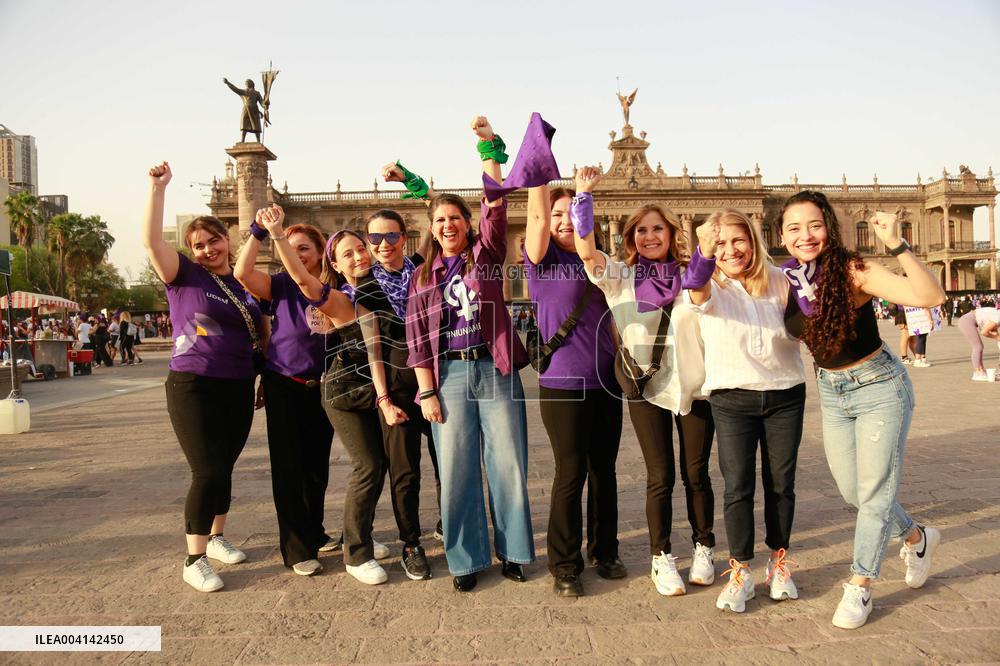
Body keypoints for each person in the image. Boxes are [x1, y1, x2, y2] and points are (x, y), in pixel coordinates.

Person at [778, 190, 945, 630]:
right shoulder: (786, 278)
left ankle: (860, 583)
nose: (805, 235)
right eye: (794, 228)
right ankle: (917, 537)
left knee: (873, 493)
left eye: (814, 225)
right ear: (782, 235)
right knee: (855, 492)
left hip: (878, 386)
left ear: (829, 229)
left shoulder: (853, 270)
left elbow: (930, 296)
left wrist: (897, 244)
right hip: (832, 391)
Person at [572, 166, 716, 598]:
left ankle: (704, 546)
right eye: (641, 230)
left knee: (697, 473)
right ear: (631, 237)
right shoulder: (620, 277)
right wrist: (583, 197)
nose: (650, 236)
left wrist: (709, 247)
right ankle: (661, 555)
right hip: (646, 387)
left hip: (695, 385)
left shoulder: (694, 273)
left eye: (657, 229)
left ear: (672, 233)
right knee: (660, 475)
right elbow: (587, 253)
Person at [406, 115, 534, 592]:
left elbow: (496, 206)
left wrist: (487, 151)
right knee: (456, 469)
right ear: (432, 229)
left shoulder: (486, 256)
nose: (447, 226)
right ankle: (465, 559)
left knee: (509, 463)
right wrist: (426, 393)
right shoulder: (423, 277)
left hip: (494, 367)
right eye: (440, 220)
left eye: (455, 218)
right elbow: (417, 340)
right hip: (449, 377)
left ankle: (514, 552)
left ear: (467, 224)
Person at [263, 208, 406, 586]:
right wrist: (275, 233)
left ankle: (360, 535)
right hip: (344, 393)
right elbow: (301, 279)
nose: (359, 256)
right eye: (347, 253)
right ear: (335, 265)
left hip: (373, 391)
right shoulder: (341, 299)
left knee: (379, 464)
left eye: (362, 248)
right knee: (367, 465)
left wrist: (415, 187)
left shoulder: (382, 289)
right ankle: (356, 554)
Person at [142, 161, 261, 592]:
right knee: (207, 469)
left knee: (224, 466)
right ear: (190, 251)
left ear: (227, 240)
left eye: (214, 240)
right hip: (193, 382)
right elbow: (151, 241)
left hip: (238, 383)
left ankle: (215, 536)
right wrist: (158, 189)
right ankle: (193, 559)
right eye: (199, 245)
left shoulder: (246, 285)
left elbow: (262, 335)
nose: (208, 249)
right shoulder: (183, 276)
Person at [685, 209, 806, 613]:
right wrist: (704, 251)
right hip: (732, 398)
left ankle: (779, 562)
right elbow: (694, 284)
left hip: (785, 393)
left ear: (753, 240)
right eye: (720, 243)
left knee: (781, 484)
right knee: (737, 486)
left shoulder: (781, 279)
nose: (731, 250)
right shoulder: (708, 285)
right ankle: (740, 569)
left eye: (738, 240)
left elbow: (806, 322)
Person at [525, 178, 622, 597]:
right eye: (556, 214)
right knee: (570, 472)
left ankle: (605, 550)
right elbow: (535, 216)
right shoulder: (540, 260)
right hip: (563, 384)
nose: (563, 221)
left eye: (572, 213)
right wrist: (539, 175)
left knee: (604, 470)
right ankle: (564, 564)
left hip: (606, 381)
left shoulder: (597, 259)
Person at [235, 215, 336, 577]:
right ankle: (296, 549)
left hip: (325, 385)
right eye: (291, 250)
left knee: (317, 468)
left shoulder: (335, 284)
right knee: (289, 468)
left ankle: (315, 532)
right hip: (285, 383)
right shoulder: (279, 285)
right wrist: (260, 232)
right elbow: (242, 273)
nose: (298, 255)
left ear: (320, 251)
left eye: (304, 248)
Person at [361, 196, 442, 579]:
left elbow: (434, 217)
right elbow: (373, 350)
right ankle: (411, 543)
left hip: (438, 384)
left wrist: (415, 186)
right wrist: (383, 400)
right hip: (397, 390)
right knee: (406, 473)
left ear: (404, 236)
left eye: (391, 236)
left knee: (448, 465)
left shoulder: (423, 272)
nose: (383, 244)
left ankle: (449, 524)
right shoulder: (364, 289)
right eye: (375, 237)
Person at [958, 306, 1000, 381]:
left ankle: (982, 371)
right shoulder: (998, 318)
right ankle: (977, 373)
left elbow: (994, 332)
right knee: (977, 347)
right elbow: (984, 332)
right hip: (966, 321)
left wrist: (997, 338)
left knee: (979, 347)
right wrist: (997, 338)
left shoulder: (997, 315)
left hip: (968, 320)